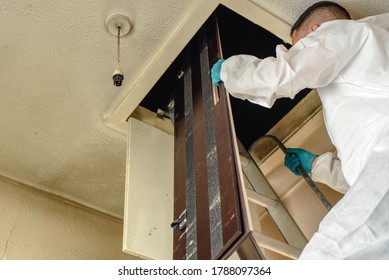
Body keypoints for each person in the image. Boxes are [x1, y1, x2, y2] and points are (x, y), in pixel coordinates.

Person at [211, 1, 389, 259]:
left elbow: (282, 74)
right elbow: (365, 184)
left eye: (298, 47)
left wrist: (230, 72)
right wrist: (318, 165)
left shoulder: (343, 33)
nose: (299, 52)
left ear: (316, 30)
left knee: (330, 259)